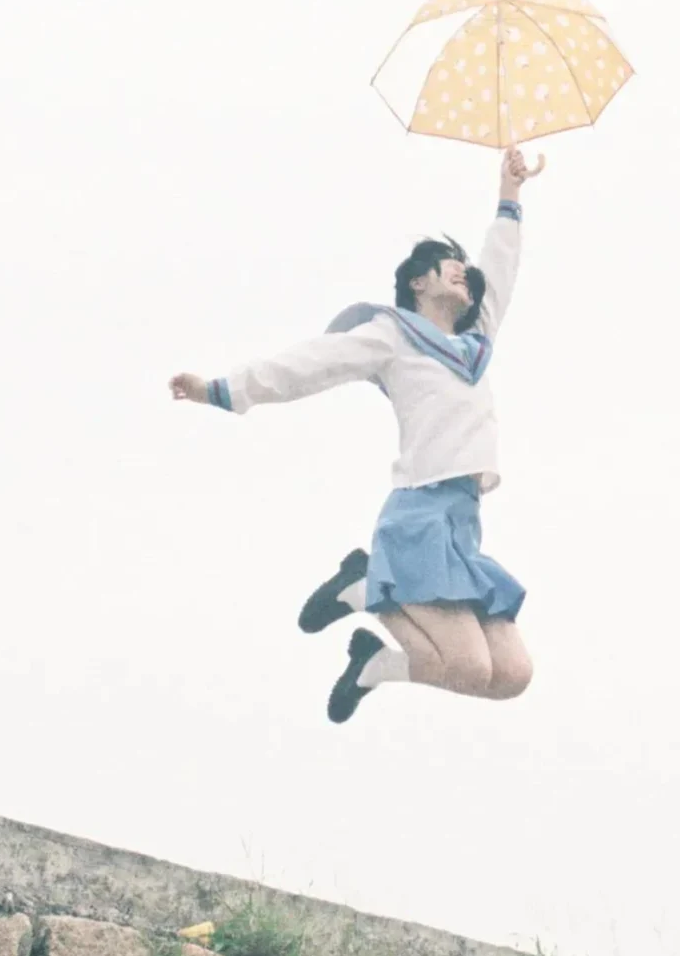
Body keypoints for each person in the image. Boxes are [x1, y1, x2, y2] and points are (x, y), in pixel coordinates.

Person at [171, 146, 546, 722]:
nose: (462, 271)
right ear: (418, 281)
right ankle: (367, 583)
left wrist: (510, 194)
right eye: (448, 263)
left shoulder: (475, 345)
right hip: (418, 516)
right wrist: (220, 390)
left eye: (463, 267)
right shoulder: (392, 336)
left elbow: (501, 269)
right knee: (468, 666)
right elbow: (310, 364)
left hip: (462, 523)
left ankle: (372, 657)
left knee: (511, 677)